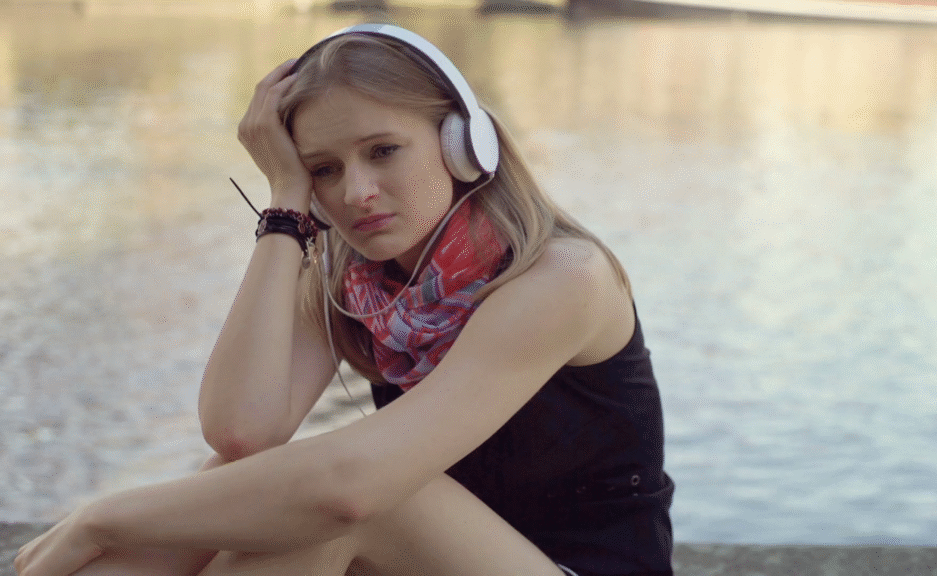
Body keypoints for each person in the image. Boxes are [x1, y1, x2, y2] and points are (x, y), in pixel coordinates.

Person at [15, 23, 673, 576]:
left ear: (462, 144)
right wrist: (285, 205)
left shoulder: (561, 279)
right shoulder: (355, 281)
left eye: (383, 151)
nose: (356, 192)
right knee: (254, 486)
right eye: (323, 169)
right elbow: (243, 434)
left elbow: (355, 489)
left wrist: (102, 519)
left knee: (368, 500)